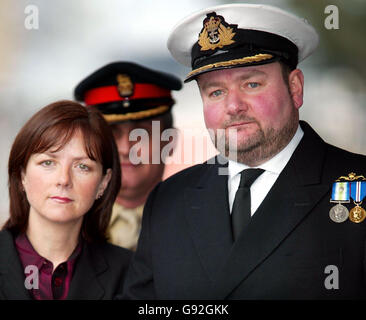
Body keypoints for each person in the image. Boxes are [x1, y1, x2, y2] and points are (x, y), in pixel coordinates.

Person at [122, 4, 366, 299]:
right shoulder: (168, 201)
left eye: (251, 84)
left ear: (295, 87)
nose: (233, 106)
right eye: (216, 92)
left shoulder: (356, 184)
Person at [0, 100, 131, 300]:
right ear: (22, 175)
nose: (63, 180)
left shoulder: (130, 273)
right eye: (48, 162)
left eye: (82, 167)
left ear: (103, 182)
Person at [74, 62, 182, 250]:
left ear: (170, 142)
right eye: (111, 134)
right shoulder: (66, 225)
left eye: (141, 133)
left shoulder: (201, 221)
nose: (125, 149)